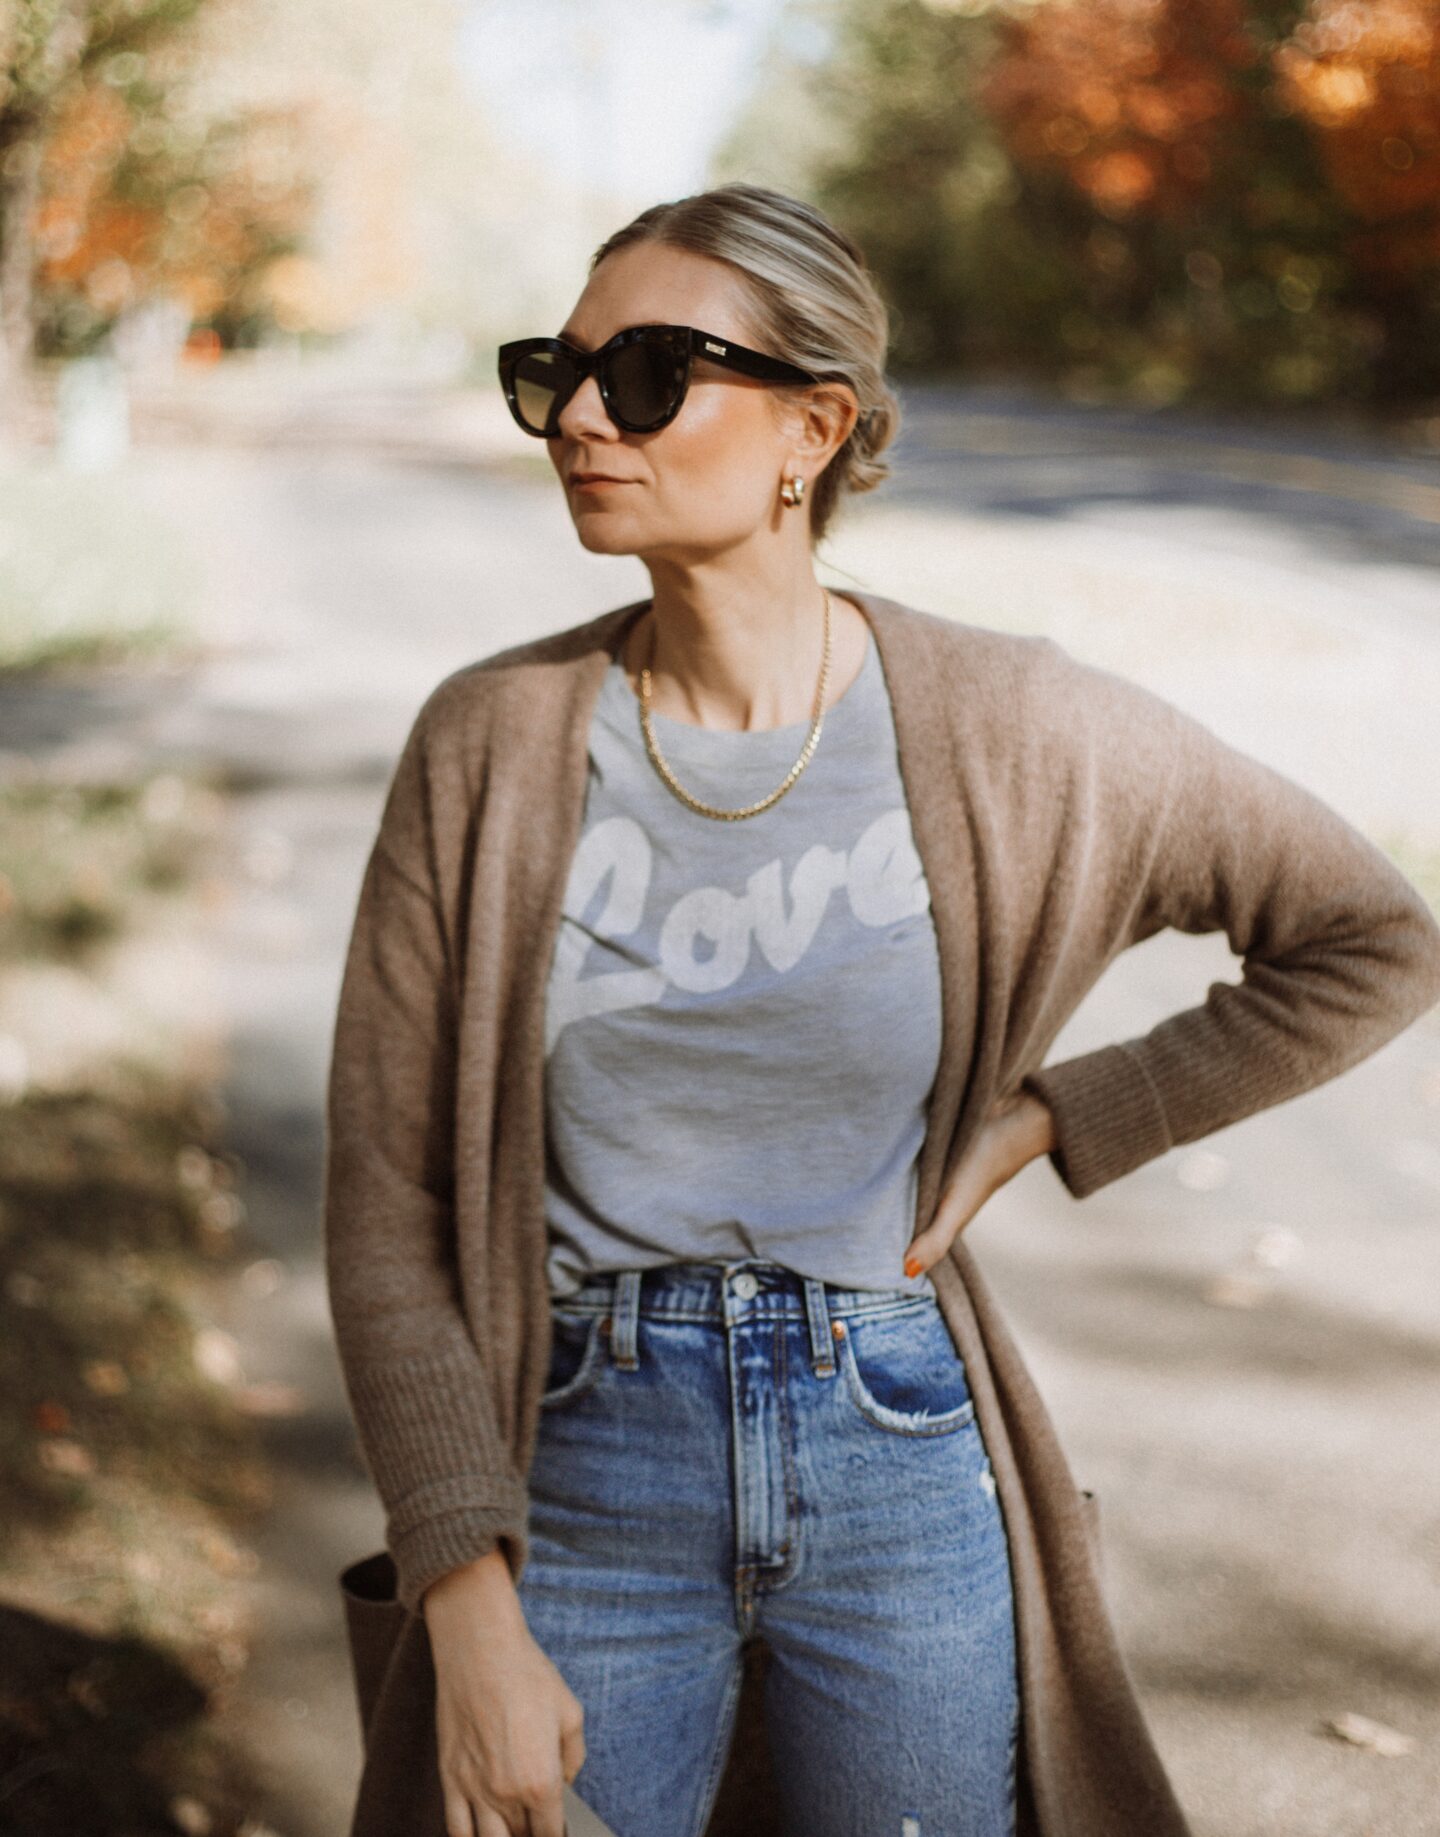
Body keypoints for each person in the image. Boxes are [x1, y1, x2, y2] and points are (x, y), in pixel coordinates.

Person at [323, 183, 1440, 1837]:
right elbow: (387, 1194)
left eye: (644, 375)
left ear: (815, 427)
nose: (577, 417)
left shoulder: (1020, 725)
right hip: (583, 1459)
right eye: (552, 372)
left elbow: (1369, 938)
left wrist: (1061, 1114)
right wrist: (466, 1597)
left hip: (898, 1446)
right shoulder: (491, 740)